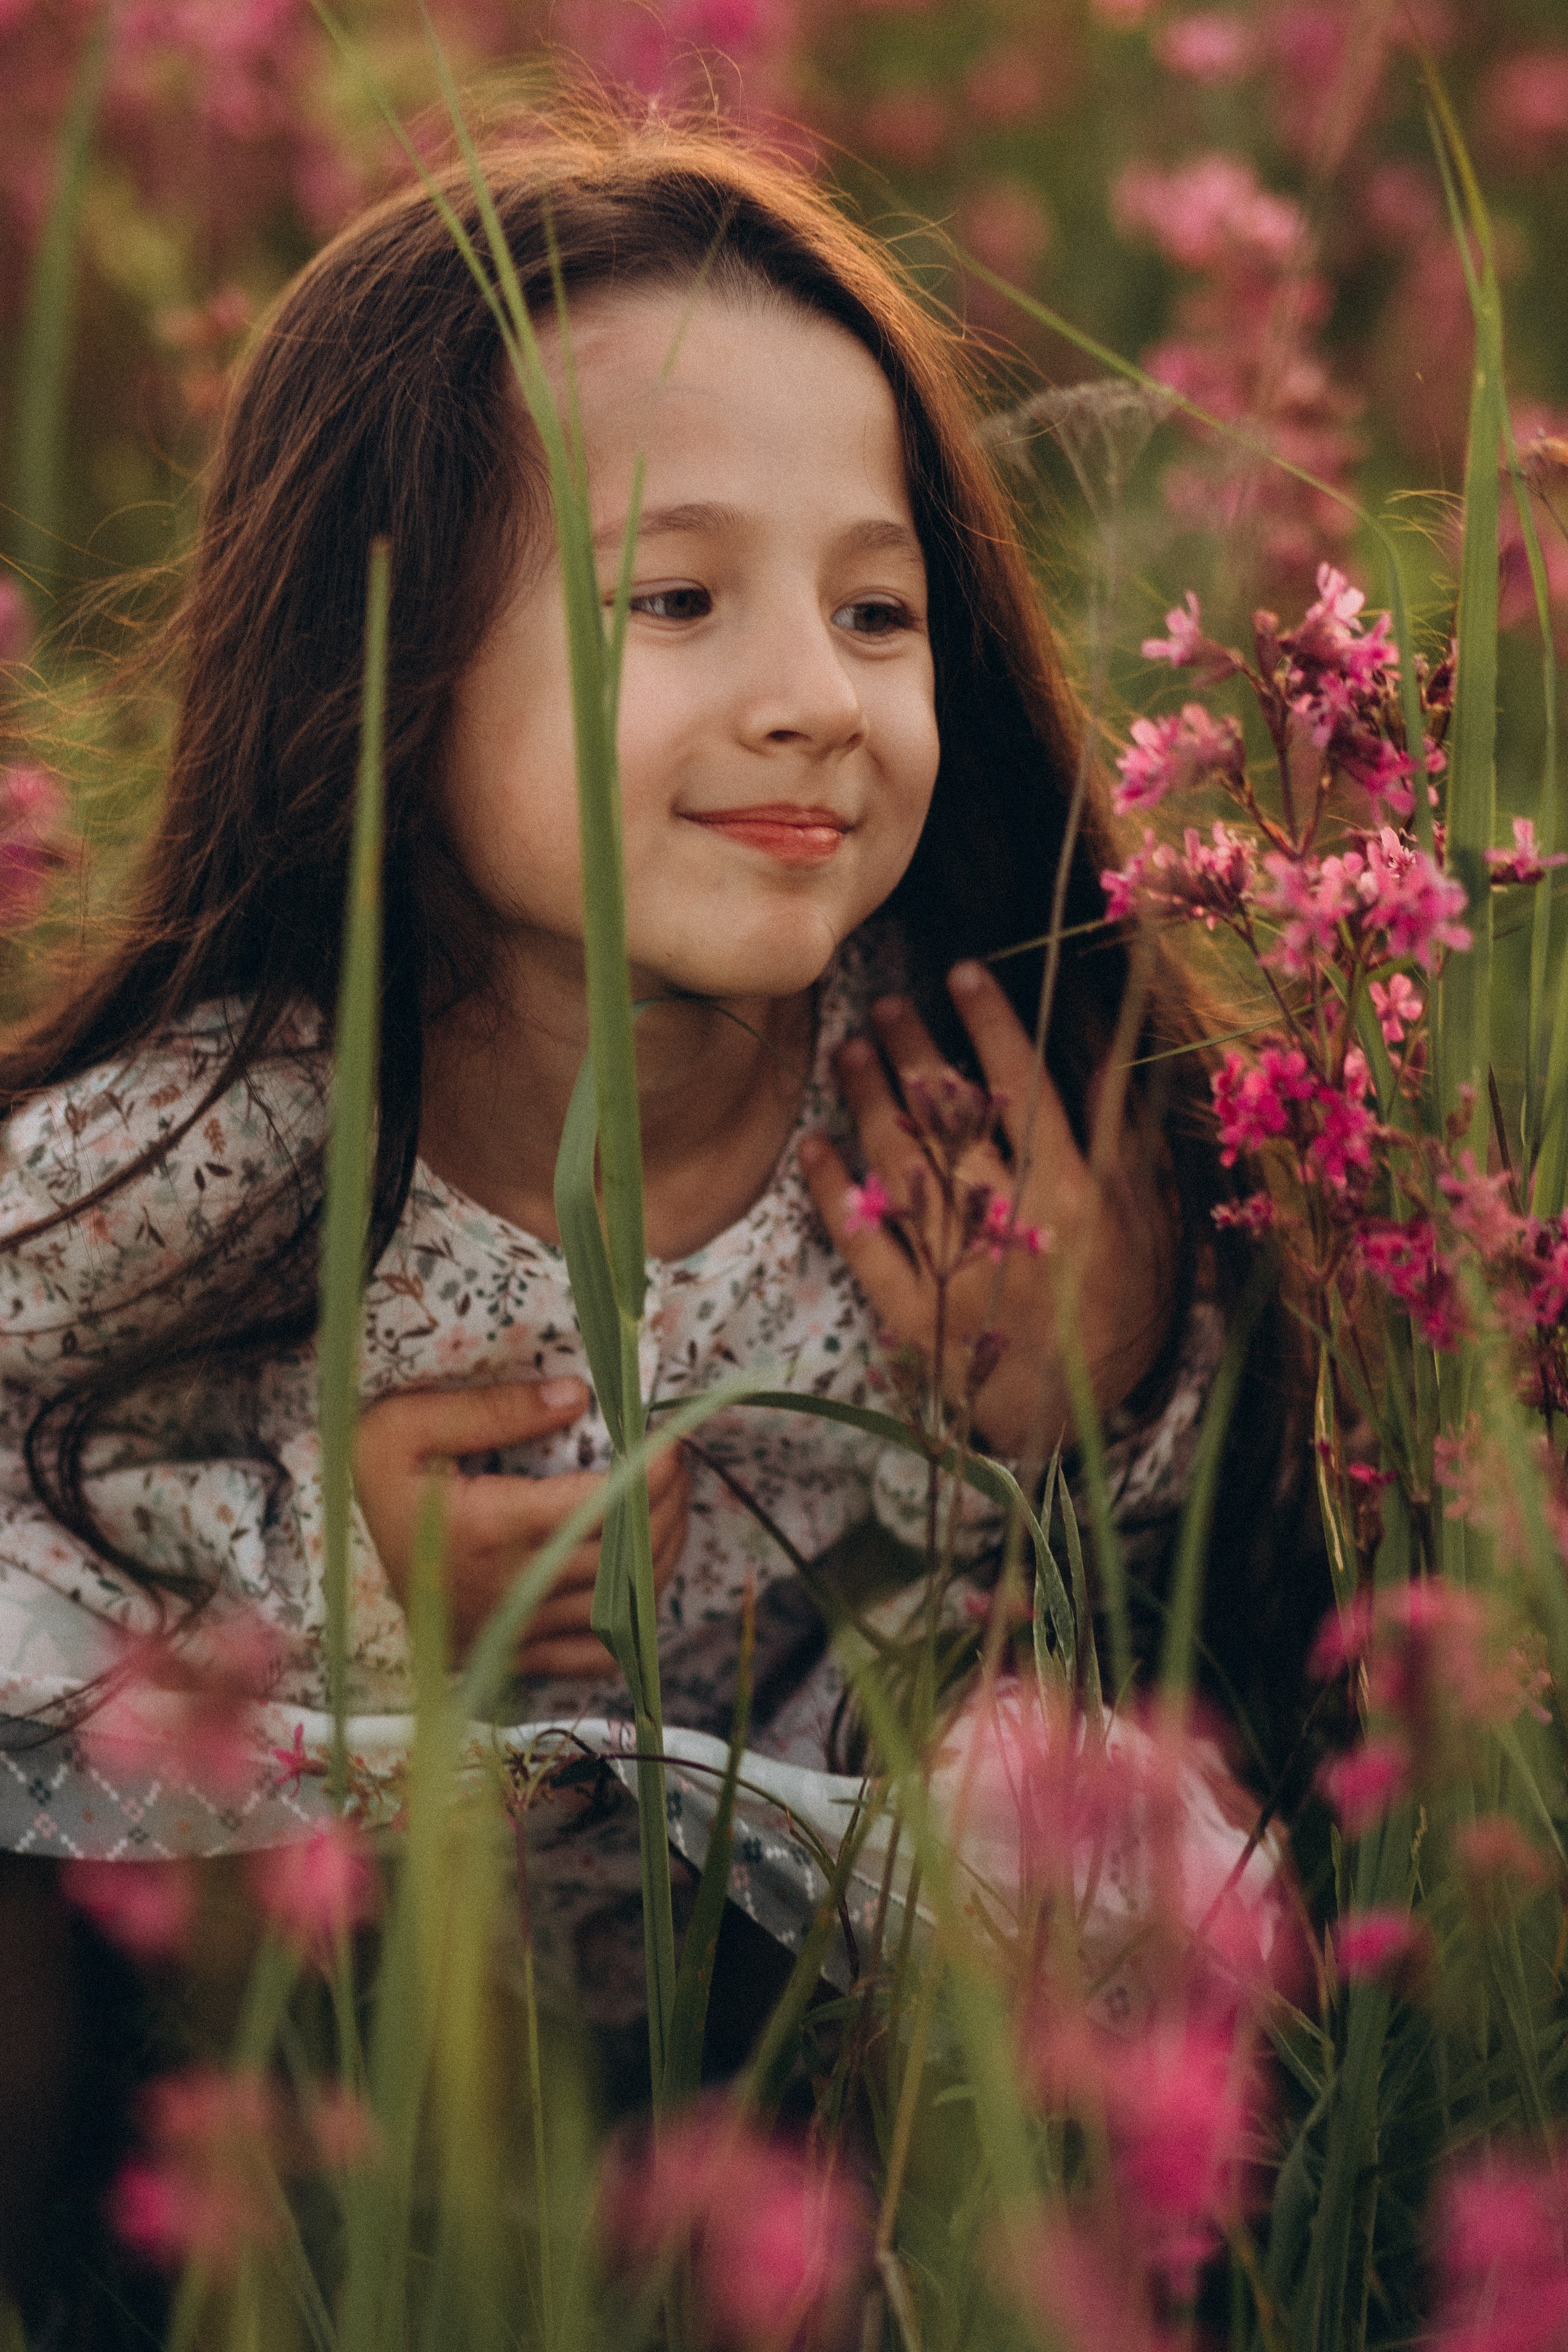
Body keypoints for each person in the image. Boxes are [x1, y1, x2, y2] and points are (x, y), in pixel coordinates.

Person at [0, 111, 1315, 2327]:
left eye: (877, 609)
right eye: (675, 599)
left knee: (1123, 1815)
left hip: (794, 2051)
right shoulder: (242, 1124)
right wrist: (319, 1561)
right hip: (315, 2040)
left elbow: (1137, 1573)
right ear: (382, 668)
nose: (812, 687)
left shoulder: (945, 1096)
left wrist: (1102, 1380)